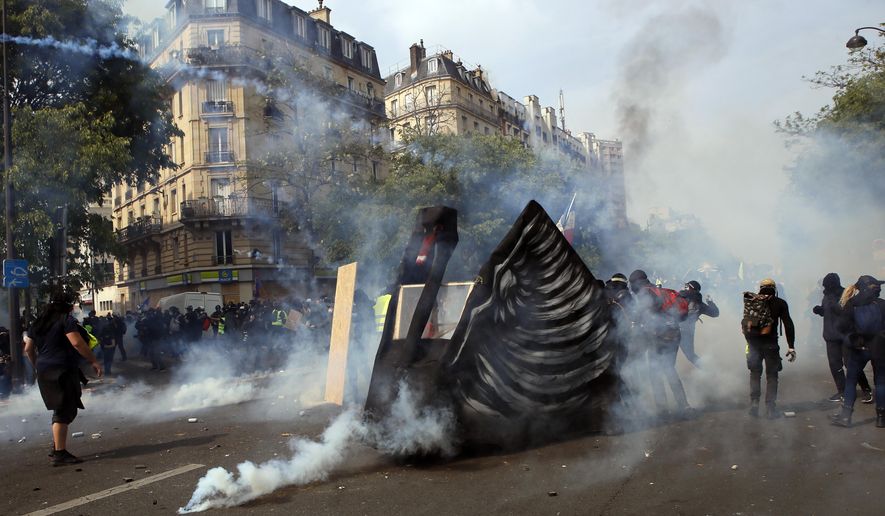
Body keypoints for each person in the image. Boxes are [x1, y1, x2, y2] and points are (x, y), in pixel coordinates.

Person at [23, 294, 103, 466]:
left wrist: (37, 365)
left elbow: (28, 348)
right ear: (66, 308)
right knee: (64, 409)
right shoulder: (65, 320)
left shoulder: (37, 324)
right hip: (62, 369)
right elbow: (77, 343)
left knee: (63, 408)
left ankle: (57, 447)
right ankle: (59, 453)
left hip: (44, 368)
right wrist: (93, 361)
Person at [629, 269, 693, 419]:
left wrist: (635, 322)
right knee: (669, 369)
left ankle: (663, 410)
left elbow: (642, 314)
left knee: (655, 372)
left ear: (636, 283)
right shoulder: (662, 291)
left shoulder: (644, 293)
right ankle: (684, 405)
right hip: (674, 334)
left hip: (657, 336)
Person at [831, 275, 885, 428]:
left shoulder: (851, 303)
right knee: (881, 382)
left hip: (858, 347)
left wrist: (850, 339)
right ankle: (881, 418)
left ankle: (846, 417)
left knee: (851, 382)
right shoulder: (882, 304)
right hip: (879, 347)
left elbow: (840, 327)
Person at [813, 273, 872, 403]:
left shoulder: (846, 294)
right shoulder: (826, 296)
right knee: (835, 365)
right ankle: (842, 391)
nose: (825, 287)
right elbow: (827, 312)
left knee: (851, 364)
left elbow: (847, 313)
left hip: (846, 336)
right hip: (830, 336)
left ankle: (866, 389)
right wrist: (820, 310)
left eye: (827, 285)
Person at [742, 278, 796, 419]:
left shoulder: (752, 301)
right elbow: (788, 324)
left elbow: (746, 322)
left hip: (753, 343)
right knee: (772, 376)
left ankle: (754, 403)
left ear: (760, 288)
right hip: (771, 344)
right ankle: (770, 409)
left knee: (755, 373)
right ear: (774, 288)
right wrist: (791, 346)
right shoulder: (780, 303)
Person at [678, 280, 719, 367]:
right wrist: (710, 302)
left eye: (686, 286)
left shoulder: (678, 297)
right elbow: (715, 313)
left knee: (665, 354)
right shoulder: (699, 303)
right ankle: (708, 371)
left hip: (673, 328)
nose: (684, 287)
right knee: (690, 355)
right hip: (688, 331)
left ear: (690, 288)